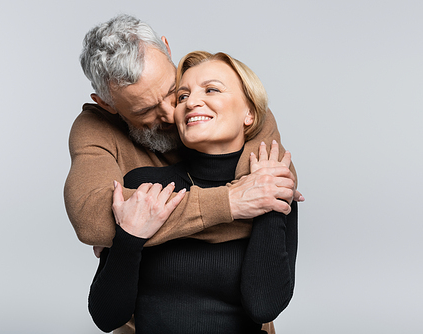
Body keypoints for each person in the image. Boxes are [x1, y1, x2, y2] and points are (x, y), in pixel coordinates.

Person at [64, 14, 302, 333]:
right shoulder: (96, 129)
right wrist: (230, 203)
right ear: (108, 106)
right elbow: (91, 218)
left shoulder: (219, 98)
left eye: (172, 91)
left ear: (167, 49)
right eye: (143, 111)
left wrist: (135, 229)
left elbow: (272, 189)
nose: (169, 113)